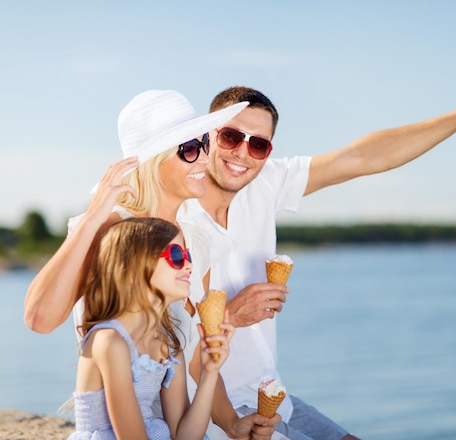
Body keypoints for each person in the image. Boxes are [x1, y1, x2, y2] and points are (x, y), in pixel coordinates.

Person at [176, 86, 456, 439]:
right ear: (208, 134)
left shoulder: (264, 183)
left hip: (271, 395)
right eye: (230, 137)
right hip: (215, 410)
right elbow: (166, 334)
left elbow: (361, 157)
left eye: (258, 144)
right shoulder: (178, 221)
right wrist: (231, 316)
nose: (242, 153)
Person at [24, 89, 279, 439]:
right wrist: (94, 215)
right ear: (152, 160)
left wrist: (233, 424)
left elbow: (189, 353)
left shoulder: (194, 244)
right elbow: (39, 318)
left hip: (181, 424)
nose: (206, 157)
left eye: (205, 142)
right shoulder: (112, 232)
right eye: (190, 149)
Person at [68, 216, 233, 439]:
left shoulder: (166, 345)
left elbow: (183, 435)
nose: (189, 264)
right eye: (176, 255)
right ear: (135, 266)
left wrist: (210, 373)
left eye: (188, 255)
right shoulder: (110, 341)